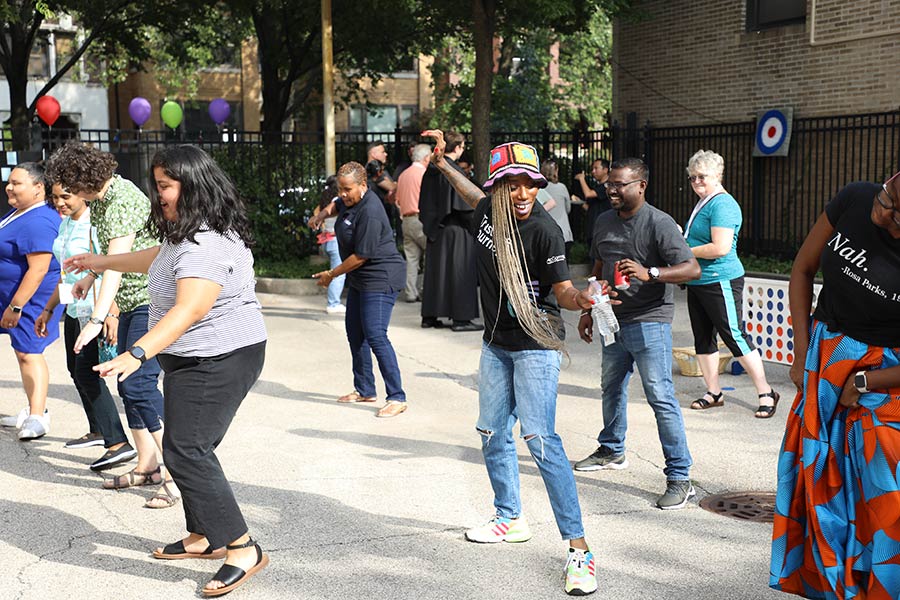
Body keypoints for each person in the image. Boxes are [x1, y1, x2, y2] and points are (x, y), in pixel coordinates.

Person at [67, 145, 269, 597]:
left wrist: (136, 353)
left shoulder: (206, 243)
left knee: (188, 451)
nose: (159, 195)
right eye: (157, 185)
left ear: (192, 186)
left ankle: (241, 547)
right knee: (185, 448)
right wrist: (99, 263)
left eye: (165, 186)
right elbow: (155, 258)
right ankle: (203, 536)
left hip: (220, 357)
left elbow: (190, 308)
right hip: (196, 358)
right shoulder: (189, 232)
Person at [423, 130, 599, 596]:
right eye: (513, 183)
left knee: (541, 440)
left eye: (531, 183)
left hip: (536, 345)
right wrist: (442, 164)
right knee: (491, 432)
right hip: (495, 343)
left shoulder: (544, 230)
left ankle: (579, 550)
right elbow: (473, 192)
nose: (523, 193)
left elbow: (561, 289)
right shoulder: (489, 209)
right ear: (499, 185)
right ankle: (509, 517)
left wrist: (581, 300)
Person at [769, 172, 900, 598]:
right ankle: (833, 585)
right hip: (823, 358)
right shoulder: (854, 198)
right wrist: (801, 352)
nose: (885, 216)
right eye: (886, 201)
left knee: (882, 491)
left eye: (899, 217)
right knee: (819, 478)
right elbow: (803, 270)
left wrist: (864, 380)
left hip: (886, 373)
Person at [45, 142, 175, 509]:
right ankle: (147, 465)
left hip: (151, 299)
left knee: (137, 383)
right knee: (128, 382)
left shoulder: (120, 200)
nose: (65, 193)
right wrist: (88, 276)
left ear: (83, 178)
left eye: (68, 184)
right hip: (134, 301)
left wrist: (98, 319)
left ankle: (176, 475)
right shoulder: (102, 200)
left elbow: (116, 266)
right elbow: (106, 259)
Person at [574, 158, 701, 511]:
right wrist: (589, 308)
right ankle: (612, 451)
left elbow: (692, 267)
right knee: (611, 387)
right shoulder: (603, 221)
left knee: (660, 396)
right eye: (609, 184)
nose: (611, 190)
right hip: (612, 319)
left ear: (641, 186)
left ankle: (680, 477)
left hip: (650, 320)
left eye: (620, 184)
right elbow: (598, 265)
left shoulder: (659, 223)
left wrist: (652, 273)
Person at [34, 182, 136, 470]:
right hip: (74, 306)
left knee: (88, 373)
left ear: (82, 193)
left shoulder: (95, 224)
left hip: (96, 309)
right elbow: (65, 273)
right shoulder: (65, 224)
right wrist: (49, 308)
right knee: (74, 370)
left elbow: (114, 267)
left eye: (66, 196)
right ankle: (99, 429)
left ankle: (118, 443)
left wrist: (111, 313)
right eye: (55, 197)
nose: (60, 202)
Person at [682, 150, 780, 417]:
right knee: (703, 338)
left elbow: (720, 247)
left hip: (720, 279)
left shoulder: (723, 204)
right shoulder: (705, 201)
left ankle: (765, 392)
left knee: (734, 336)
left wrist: (683, 251)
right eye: (692, 177)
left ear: (717, 176)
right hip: (699, 280)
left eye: (702, 176)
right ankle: (713, 392)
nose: (696, 182)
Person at [309, 161, 408, 418]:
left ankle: (397, 396)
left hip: (381, 275)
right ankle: (365, 389)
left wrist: (332, 274)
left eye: (348, 189)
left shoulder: (371, 211)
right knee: (355, 332)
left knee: (375, 333)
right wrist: (322, 215)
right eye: (340, 189)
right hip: (361, 279)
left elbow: (361, 256)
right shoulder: (346, 200)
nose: (343, 194)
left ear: (363, 186)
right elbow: (335, 205)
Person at [0, 163, 62, 440]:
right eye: (9, 182)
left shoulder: (39, 220)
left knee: (30, 351)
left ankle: (38, 416)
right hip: (16, 295)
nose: (9, 187)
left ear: (39, 188)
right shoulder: (20, 212)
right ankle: (31, 408)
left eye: (17, 183)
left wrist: (16, 306)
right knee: (21, 350)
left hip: (32, 298)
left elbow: (38, 270)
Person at [419, 130, 481, 332]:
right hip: (457, 228)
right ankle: (461, 318)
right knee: (460, 272)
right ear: (458, 148)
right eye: (463, 146)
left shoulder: (432, 168)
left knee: (437, 273)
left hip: (436, 228)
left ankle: (430, 315)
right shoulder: (451, 170)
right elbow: (463, 203)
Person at [396, 143, 431, 302]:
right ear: (426, 158)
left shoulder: (403, 175)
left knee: (411, 259)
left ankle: (410, 292)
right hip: (421, 219)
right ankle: (425, 291)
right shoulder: (424, 174)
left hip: (406, 220)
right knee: (429, 256)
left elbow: (397, 200)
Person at [314, 175, 346, 314]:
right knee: (337, 273)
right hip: (335, 241)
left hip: (327, 240)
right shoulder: (336, 202)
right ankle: (333, 303)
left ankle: (333, 302)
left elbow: (316, 215)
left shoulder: (323, 202)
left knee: (335, 271)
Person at [539, 159, 575, 260]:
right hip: (564, 233)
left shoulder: (538, 189)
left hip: (545, 233)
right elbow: (568, 209)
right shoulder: (562, 187)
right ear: (556, 171)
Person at [572, 158, 610, 247]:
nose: (593, 171)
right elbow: (590, 208)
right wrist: (580, 202)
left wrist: (582, 179)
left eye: (596, 168)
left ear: (605, 170)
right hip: (593, 229)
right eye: (592, 169)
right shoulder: (598, 186)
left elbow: (588, 194)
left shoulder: (607, 186)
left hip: (602, 230)